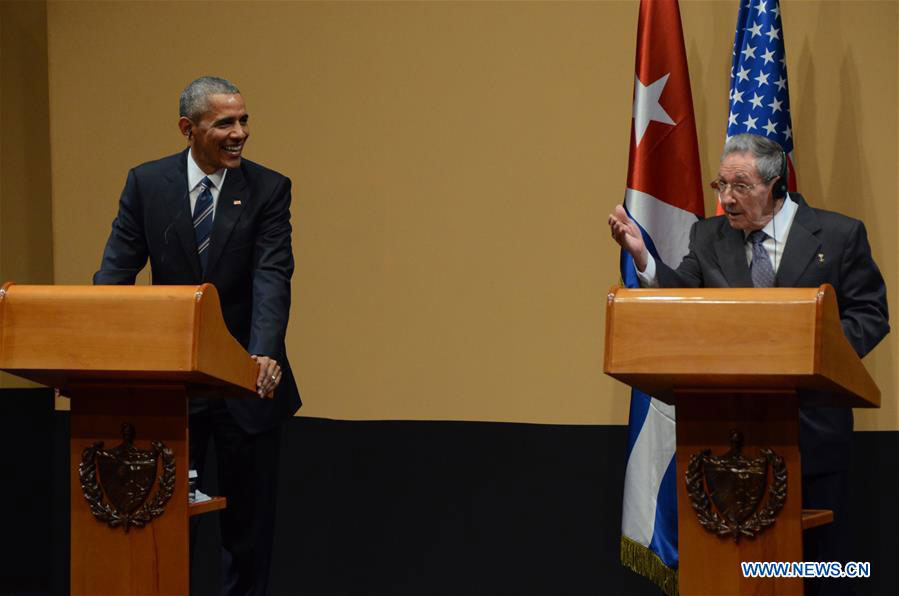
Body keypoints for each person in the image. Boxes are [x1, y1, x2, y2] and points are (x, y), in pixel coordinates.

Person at [609, 133, 888, 595]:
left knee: (818, 571)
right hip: (722, 444)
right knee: (736, 574)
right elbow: (686, 301)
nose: (727, 198)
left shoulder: (839, 235)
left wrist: (822, 354)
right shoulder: (707, 235)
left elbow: (870, 314)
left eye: (741, 186)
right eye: (721, 185)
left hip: (811, 435)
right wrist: (644, 257)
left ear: (775, 186)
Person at [94, 76, 301, 595]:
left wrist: (262, 353)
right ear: (189, 128)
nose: (240, 133)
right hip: (172, 387)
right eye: (224, 123)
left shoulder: (269, 189)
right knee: (164, 529)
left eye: (244, 120)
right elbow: (115, 276)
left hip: (245, 383)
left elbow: (271, 276)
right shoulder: (147, 184)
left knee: (247, 536)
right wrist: (95, 346)